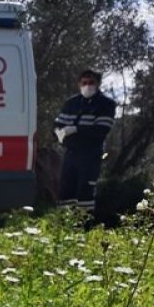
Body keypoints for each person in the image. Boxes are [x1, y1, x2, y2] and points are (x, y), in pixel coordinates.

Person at [53, 69, 117, 206]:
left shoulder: (106, 104)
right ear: (79, 84)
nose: (87, 86)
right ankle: (66, 224)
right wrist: (59, 132)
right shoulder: (71, 103)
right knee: (65, 191)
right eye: (84, 83)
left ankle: (85, 225)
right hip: (70, 154)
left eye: (91, 82)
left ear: (98, 84)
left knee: (85, 192)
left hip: (90, 156)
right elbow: (58, 124)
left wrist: (75, 129)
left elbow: (100, 131)